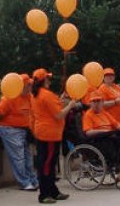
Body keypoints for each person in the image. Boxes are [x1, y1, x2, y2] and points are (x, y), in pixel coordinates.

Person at [29, 69, 78, 204]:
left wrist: (60, 101)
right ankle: (45, 194)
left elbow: (50, 109)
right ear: (44, 80)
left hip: (43, 132)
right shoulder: (46, 95)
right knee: (47, 165)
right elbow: (59, 115)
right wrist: (70, 105)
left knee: (48, 164)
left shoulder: (36, 94)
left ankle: (53, 191)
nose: (50, 80)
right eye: (48, 78)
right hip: (49, 134)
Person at [0, 74, 36, 190]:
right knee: (19, 157)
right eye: (29, 85)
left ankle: (32, 180)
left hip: (24, 130)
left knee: (27, 157)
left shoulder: (29, 97)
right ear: (21, 86)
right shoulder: (9, 97)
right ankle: (24, 182)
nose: (30, 87)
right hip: (10, 129)